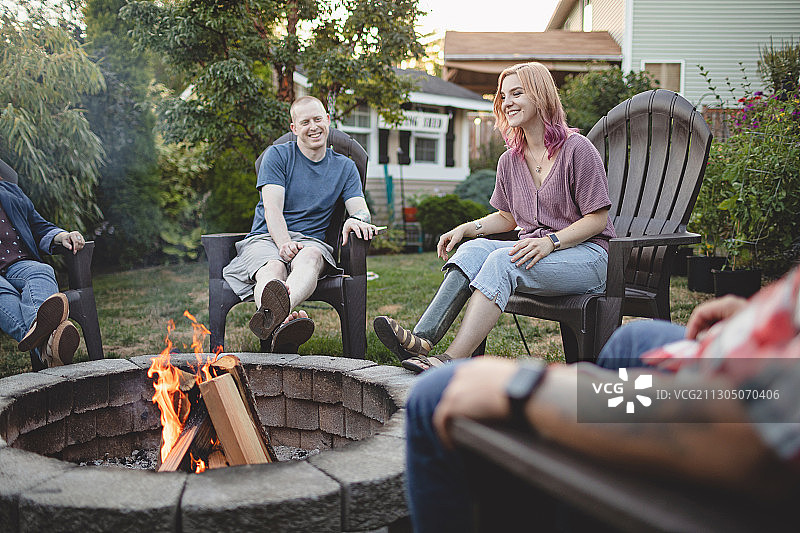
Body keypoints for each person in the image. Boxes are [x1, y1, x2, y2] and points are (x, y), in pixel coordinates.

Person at [405, 266, 800, 532]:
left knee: (434, 395)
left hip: (740, 404)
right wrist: (757, 320)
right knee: (635, 340)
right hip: (763, 355)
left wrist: (524, 387)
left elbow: (745, 431)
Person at [374, 62, 616, 373]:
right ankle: (423, 339)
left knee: (502, 262)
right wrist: (466, 228)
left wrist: (551, 242)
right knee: (473, 250)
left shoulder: (577, 150)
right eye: (503, 96)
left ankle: (451, 361)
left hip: (587, 257)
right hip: (536, 251)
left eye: (517, 93)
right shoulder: (510, 160)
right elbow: (507, 217)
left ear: (541, 96)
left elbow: (597, 219)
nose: (507, 102)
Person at [223, 95, 379, 353]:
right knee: (271, 268)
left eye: (318, 119)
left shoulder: (346, 168)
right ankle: (283, 321)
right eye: (305, 122)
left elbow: (361, 211)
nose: (313, 127)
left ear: (328, 121)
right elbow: (272, 209)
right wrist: (283, 243)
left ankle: (273, 319)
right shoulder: (277, 155)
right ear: (294, 128)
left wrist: (357, 220)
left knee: (312, 257)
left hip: (310, 242)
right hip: (265, 237)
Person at [0, 175, 85, 369]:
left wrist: (63, 235)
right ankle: (50, 346)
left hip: (18, 264)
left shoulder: (11, 191)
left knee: (42, 270)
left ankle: (44, 343)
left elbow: (39, 226)